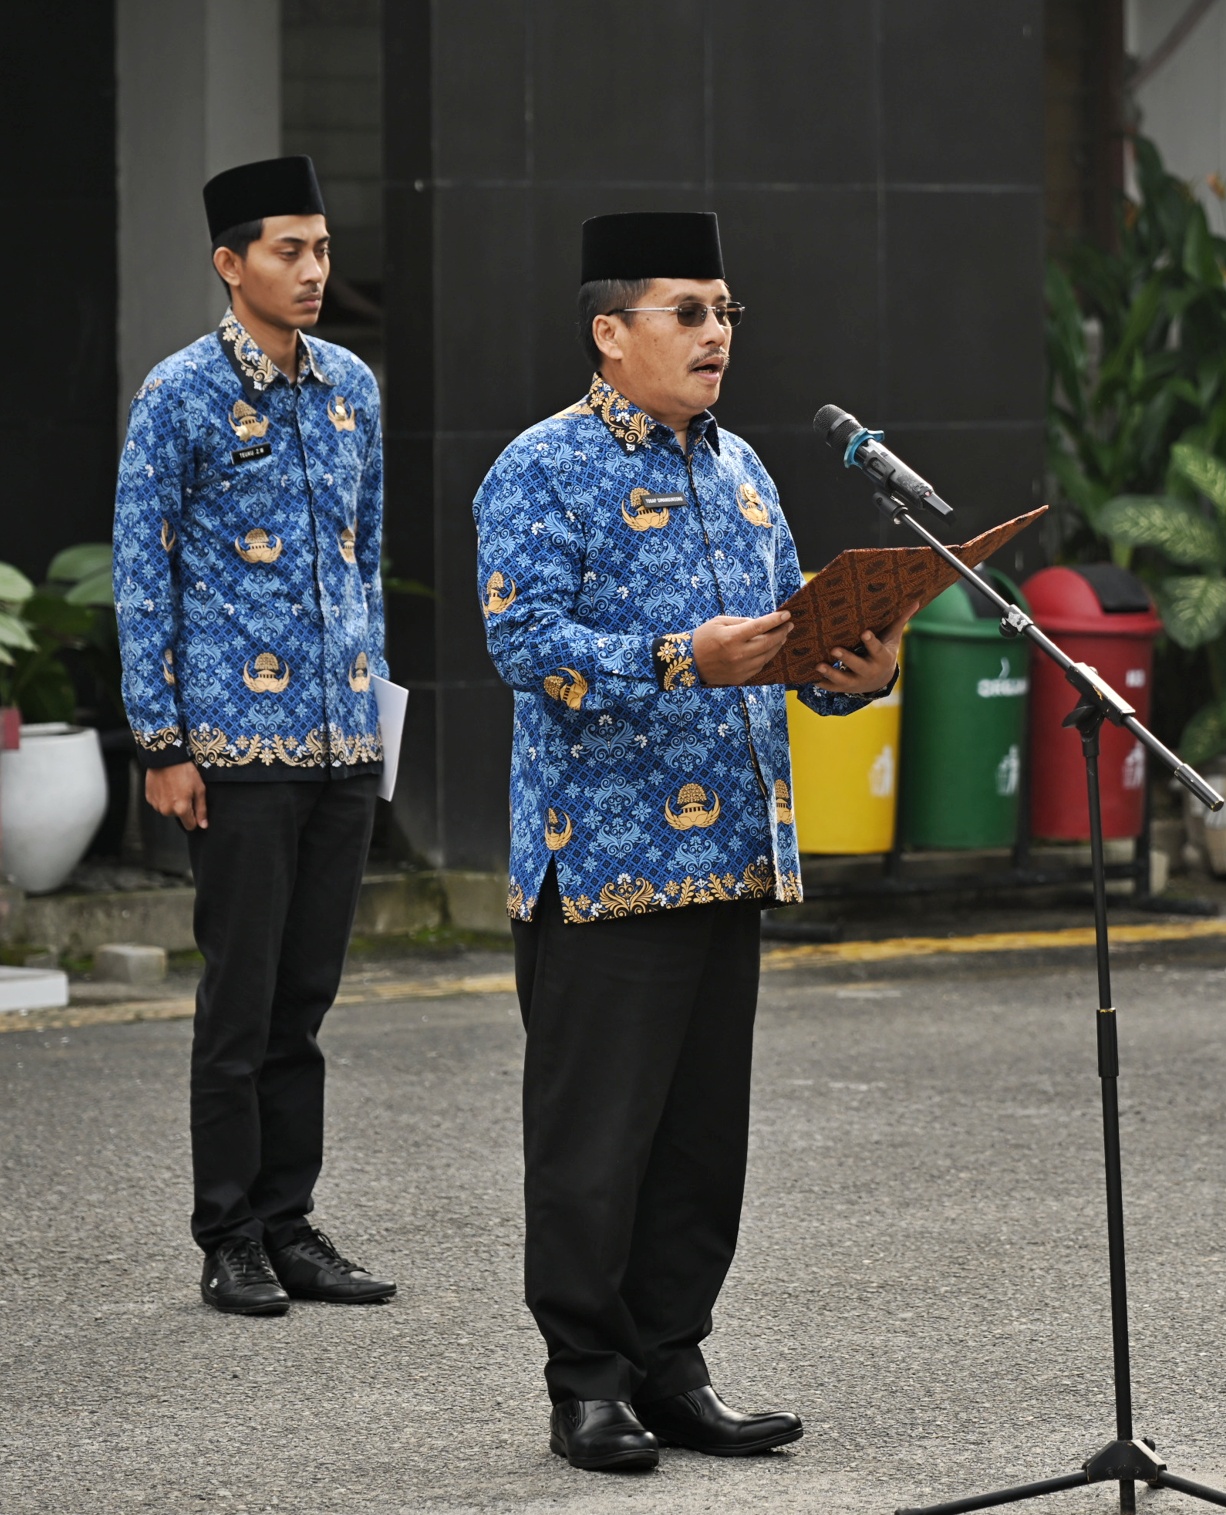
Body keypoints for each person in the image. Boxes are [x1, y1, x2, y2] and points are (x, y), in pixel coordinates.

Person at [474, 212, 905, 1472]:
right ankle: (587, 1383)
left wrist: (855, 669)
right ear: (611, 333)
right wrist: (678, 657)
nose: (716, 336)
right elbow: (526, 648)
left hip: (729, 859)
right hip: (604, 867)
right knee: (592, 1147)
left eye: (726, 314)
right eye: (688, 313)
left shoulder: (742, 471)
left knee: (701, 1145)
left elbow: (782, 653)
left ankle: (672, 1366)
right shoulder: (540, 469)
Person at [112, 156, 395, 1315]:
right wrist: (163, 743)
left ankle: (292, 1223)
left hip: (339, 747)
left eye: (323, 248)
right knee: (238, 1005)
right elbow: (142, 574)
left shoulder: (352, 389)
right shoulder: (177, 394)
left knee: (306, 1000)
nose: (314, 270)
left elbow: (366, 557)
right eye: (290, 250)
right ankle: (227, 1232)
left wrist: (375, 708)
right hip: (233, 748)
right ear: (231, 264)